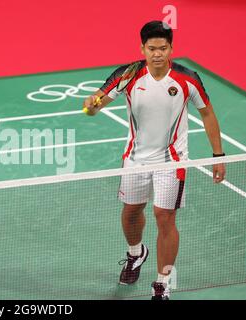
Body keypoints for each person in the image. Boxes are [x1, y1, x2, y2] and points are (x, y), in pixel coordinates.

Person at [83, 21, 226, 300]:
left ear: (171, 48)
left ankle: (162, 280)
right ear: (142, 49)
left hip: (172, 161)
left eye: (163, 48)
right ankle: (136, 254)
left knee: (165, 216)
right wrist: (92, 105)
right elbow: (98, 102)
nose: (158, 53)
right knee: (131, 212)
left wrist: (218, 156)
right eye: (152, 48)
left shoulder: (187, 78)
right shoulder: (129, 74)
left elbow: (207, 114)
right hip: (135, 159)